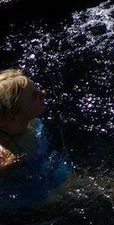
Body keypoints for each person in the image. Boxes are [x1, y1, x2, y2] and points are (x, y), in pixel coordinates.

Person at [0, 69, 71, 213]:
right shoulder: (8, 158)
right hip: (24, 193)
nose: (43, 93)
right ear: (13, 116)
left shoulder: (29, 121)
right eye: (34, 96)